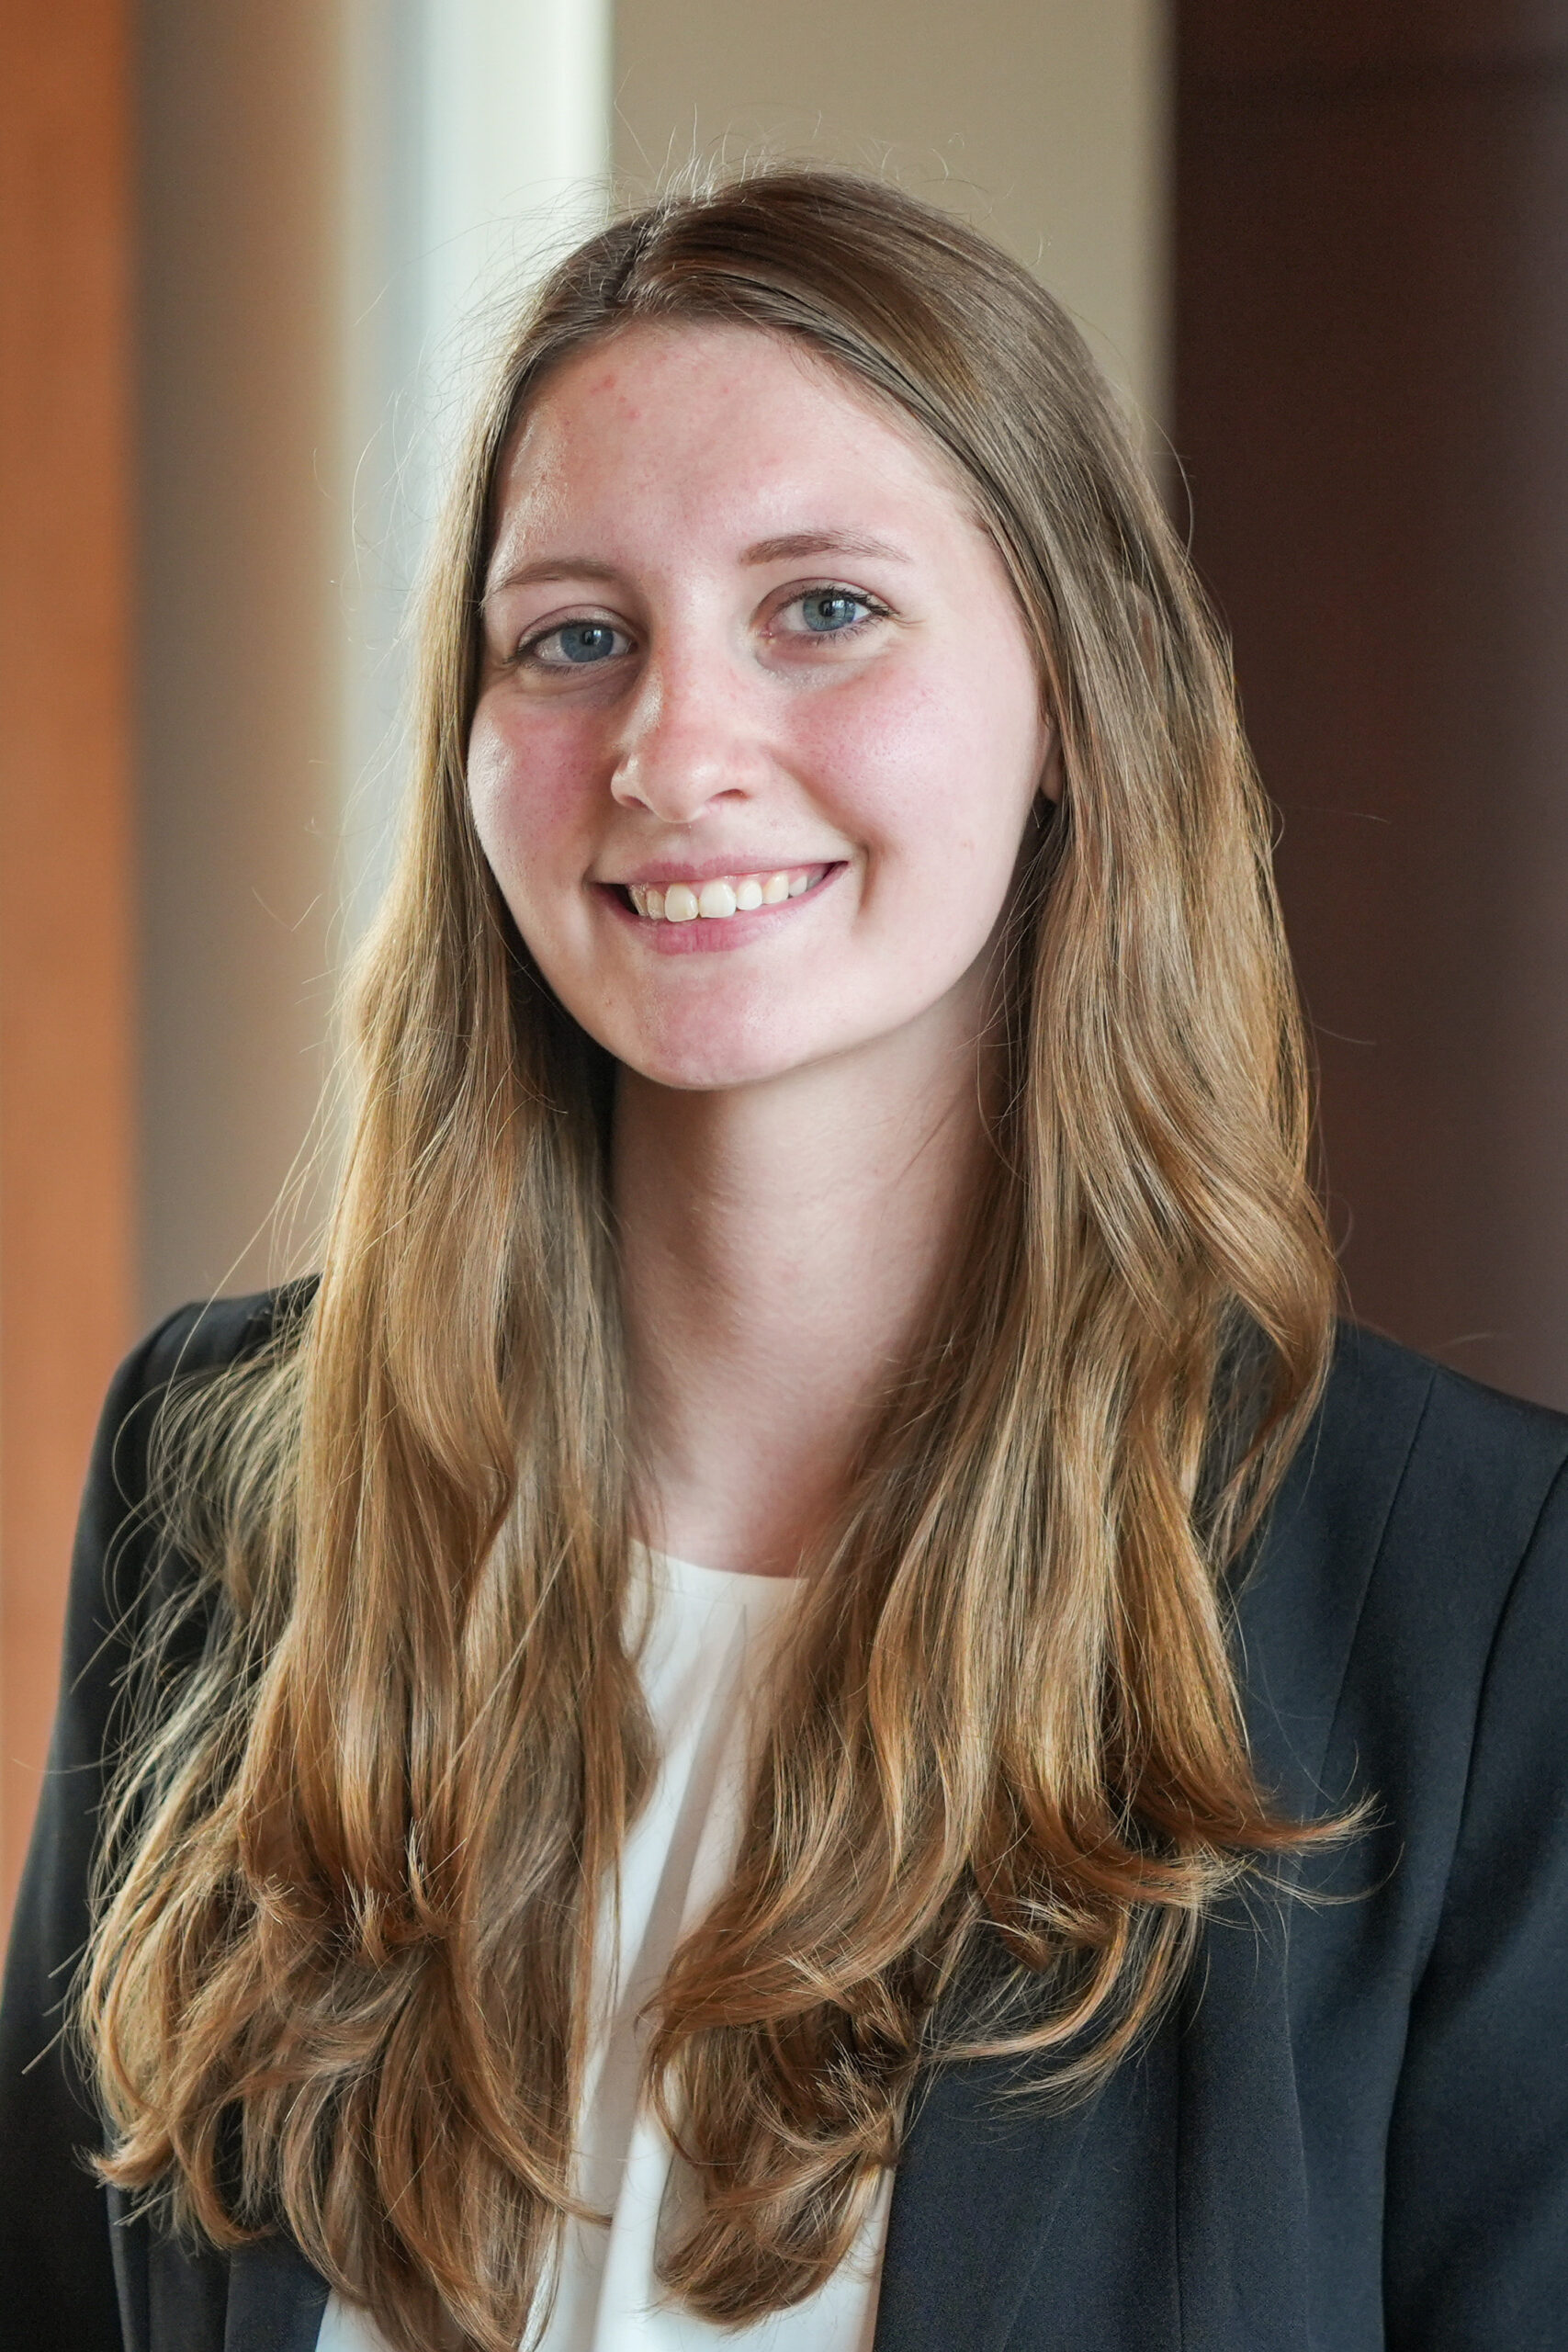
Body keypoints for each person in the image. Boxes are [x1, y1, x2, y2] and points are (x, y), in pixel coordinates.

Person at [2, 165, 1565, 2352]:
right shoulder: (217, 1475)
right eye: (573, 636)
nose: (672, 749)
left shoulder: (1477, 1599)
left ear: (1067, 700)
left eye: (819, 606)